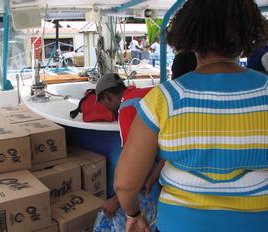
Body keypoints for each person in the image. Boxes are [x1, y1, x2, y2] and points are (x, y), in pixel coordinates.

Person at [114, 1, 268, 232]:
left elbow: (125, 184)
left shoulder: (164, 99)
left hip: (180, 224)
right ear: (247, 34)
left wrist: (134, 214)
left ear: (190, 34)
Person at [95, 73, 165, 218]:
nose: (106, 109)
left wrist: (117, 200)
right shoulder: (147, 93)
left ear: (107, 97)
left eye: (104, 104)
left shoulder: (127, 108)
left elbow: (134, 164)